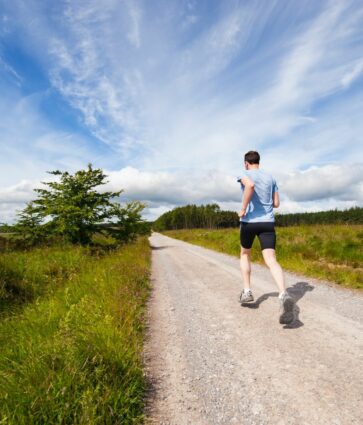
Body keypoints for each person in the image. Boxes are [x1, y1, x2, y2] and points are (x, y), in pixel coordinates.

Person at [237, 150, 294, 324]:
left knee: (245, 254)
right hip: (268, 223)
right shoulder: (271, 178)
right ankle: (283, 293)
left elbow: (250, 186)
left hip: (249, 222)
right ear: (258, 162)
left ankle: (247, 291)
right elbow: (276, 203)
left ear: (246, 163)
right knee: (271, 259)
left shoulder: (244, 174)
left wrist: (243, 208)